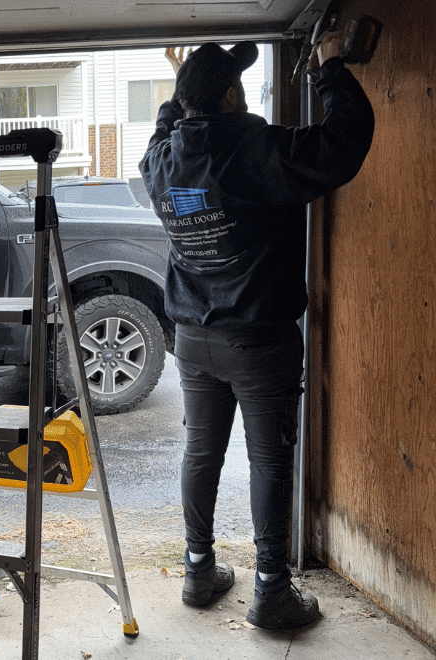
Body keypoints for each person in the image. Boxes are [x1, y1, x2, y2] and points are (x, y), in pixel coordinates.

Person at [140, 34, 374, 629]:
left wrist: (178, 92)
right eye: (235, 84)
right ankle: (271, 592)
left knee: (202, 450)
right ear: (229, 96)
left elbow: (159, 134)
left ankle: (198, 572)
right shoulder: (256, 148)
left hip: (192, 336)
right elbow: (341, 145)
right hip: (259, 339)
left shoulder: (162, 159)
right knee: (270, 460)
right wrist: (330, 68)